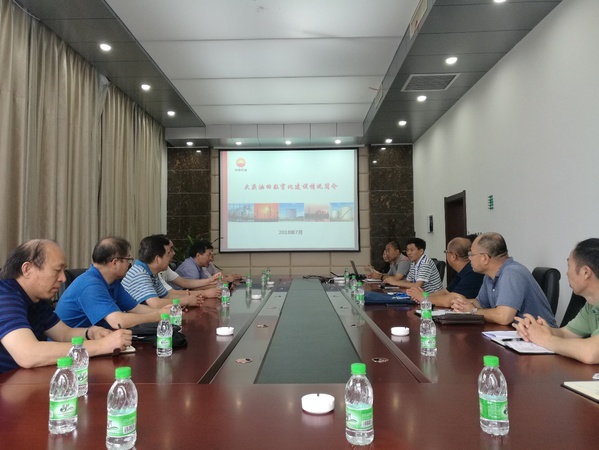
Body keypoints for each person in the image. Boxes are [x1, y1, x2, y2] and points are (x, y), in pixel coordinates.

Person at [0, 239, 131, 373]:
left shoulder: (36, 301)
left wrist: (90, 333)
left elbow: (64, 333)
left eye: (63, 270)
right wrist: (102, 345)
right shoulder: (4, 296)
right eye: (57, 270)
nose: (63, 278)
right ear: (27, 269)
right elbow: (28, 354)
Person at [514, 238, 599, 364]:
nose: (567, 273)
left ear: (585, 272)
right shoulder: (591, 305)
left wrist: (545, 339)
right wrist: (538, 330)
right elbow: (565, 334)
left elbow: (591, 352)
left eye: (569, 266)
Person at [56, 237, 169, 330]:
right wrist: (156, 316)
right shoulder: (90, 285)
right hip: (71, 346)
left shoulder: (112, 282)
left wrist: (163, 312)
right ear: (115, 263)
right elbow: (118, 322)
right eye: (128, 260)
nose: (129, 265)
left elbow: (135, 308)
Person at [451, 232, 557, 326]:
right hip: (517, 334)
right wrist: (462, 304)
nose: (469, 258)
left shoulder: (512, 273)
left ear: (484, 258)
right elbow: (480, 303)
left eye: (471, 254)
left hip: (541, 338)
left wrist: (473, 311)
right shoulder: (489, 276)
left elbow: (504, 317)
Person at [122, 235, 202, 308]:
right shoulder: (139, 274)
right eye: (168, 253)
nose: (171, 255)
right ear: (157, 259)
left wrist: (189, 298)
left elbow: (167, 296)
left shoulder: (151, 273)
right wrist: (186, 301)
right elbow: (156, 304)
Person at [407, 237, 484, 307]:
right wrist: (424, 295)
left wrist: (423, 298)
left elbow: (450, 300)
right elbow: (446, 292)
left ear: (453, 256)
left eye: (446, 252)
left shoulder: (472, 272)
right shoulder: (462, 271)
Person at [176, 240, 241, 284]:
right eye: (209, 255)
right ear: (198, 255)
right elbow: (195, 288)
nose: (211, 258)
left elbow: (208, 282)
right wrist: (226, 282)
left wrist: (226, 279)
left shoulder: (199, 266)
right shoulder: (190, 267)